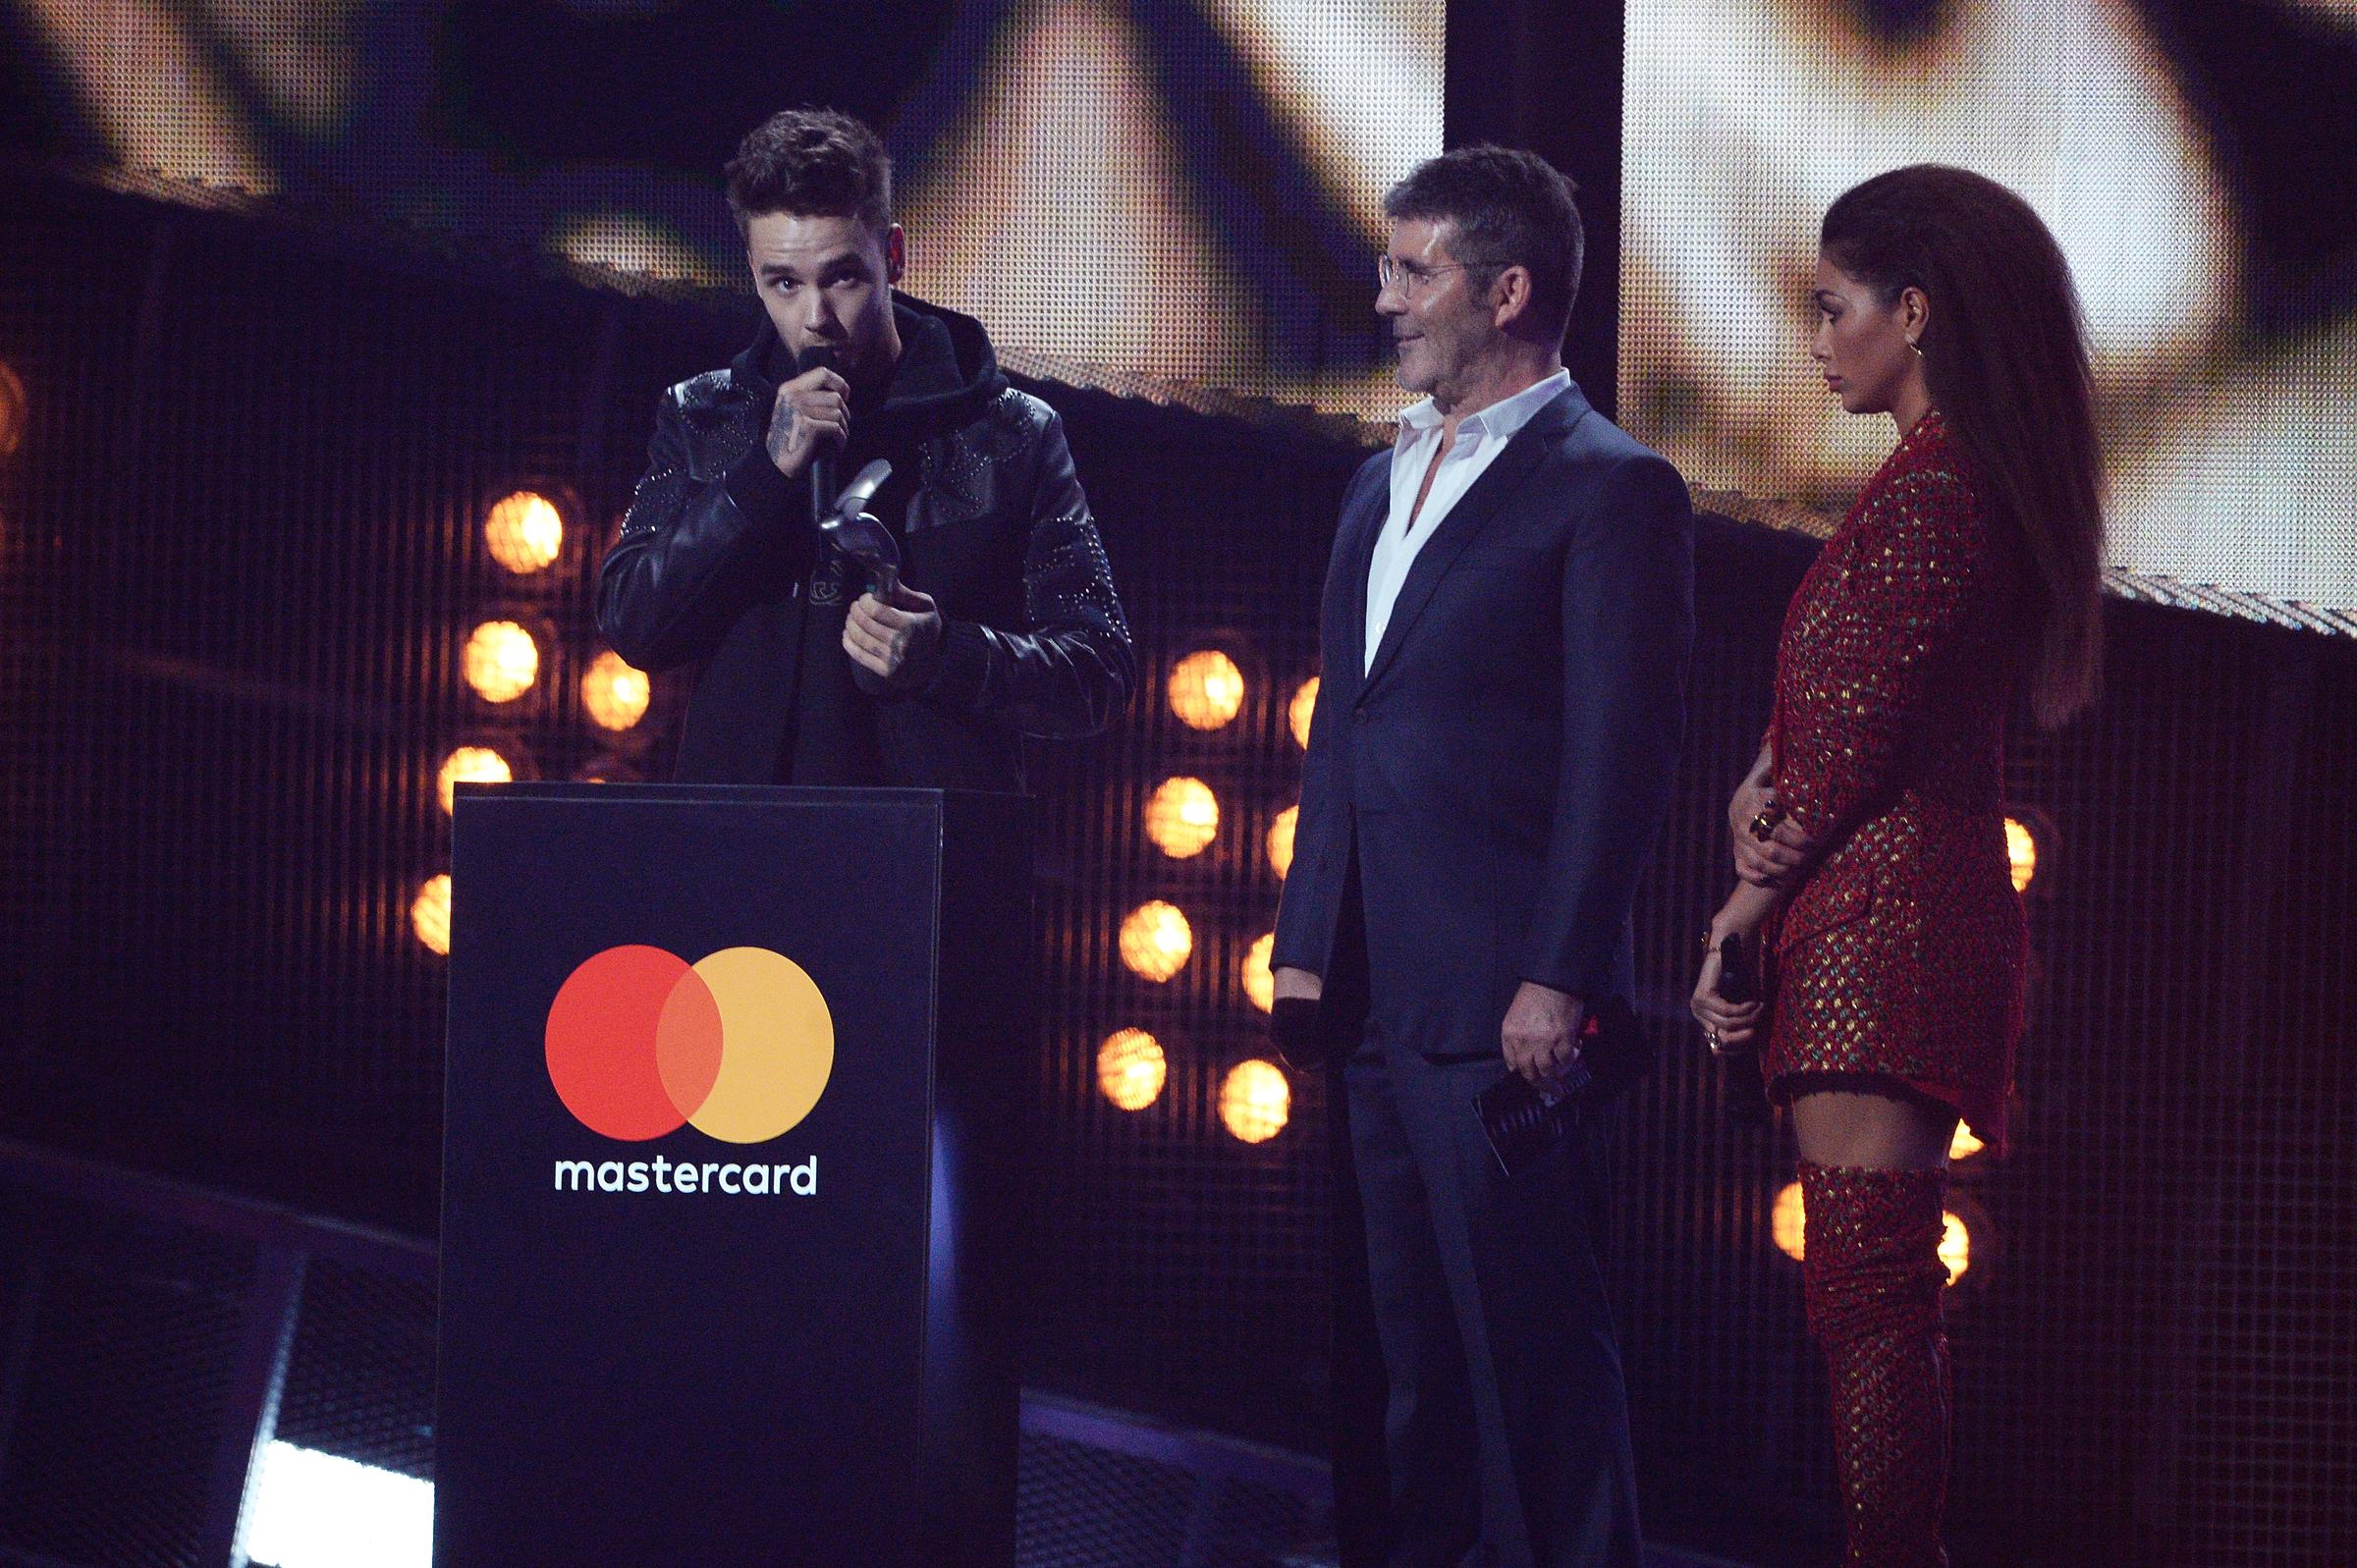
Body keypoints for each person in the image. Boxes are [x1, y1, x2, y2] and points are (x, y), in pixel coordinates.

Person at [1272, 144, 1695, 1568]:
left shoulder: (1610, 489)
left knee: (1538, 1366)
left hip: (1505, 1009)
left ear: (1507, 291)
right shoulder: (1378, 480)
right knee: (1415, 1365)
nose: (1385, 296)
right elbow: (1354, 719)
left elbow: (1620, 756)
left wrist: (1561, 975)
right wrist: (1304, 931)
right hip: (1379, 995)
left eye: (1413, 269)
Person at [1690, 165, 2105, 1567]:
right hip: (1878, 911)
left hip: (1892, 926)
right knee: (1866, 1295)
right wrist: (1760, 794)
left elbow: (1853, 743)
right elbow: (1837, 708)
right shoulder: (1932, 485)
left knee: (1871, 1294)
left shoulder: (1942, 493)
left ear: (1913, 311)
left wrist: (1736, 911)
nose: (1813, 340)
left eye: (1832, 308)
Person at [597, 107, 1133, 787]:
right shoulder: (705, 415)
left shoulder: (1011, 432)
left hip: (932, 862)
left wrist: (949, 656)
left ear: (894, 257)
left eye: (842, 277)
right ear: (755, 272)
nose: (814, 317)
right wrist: (763, 475)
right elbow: (634, 623)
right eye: (784, 283)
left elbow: (1101, 670)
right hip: (747, 857)